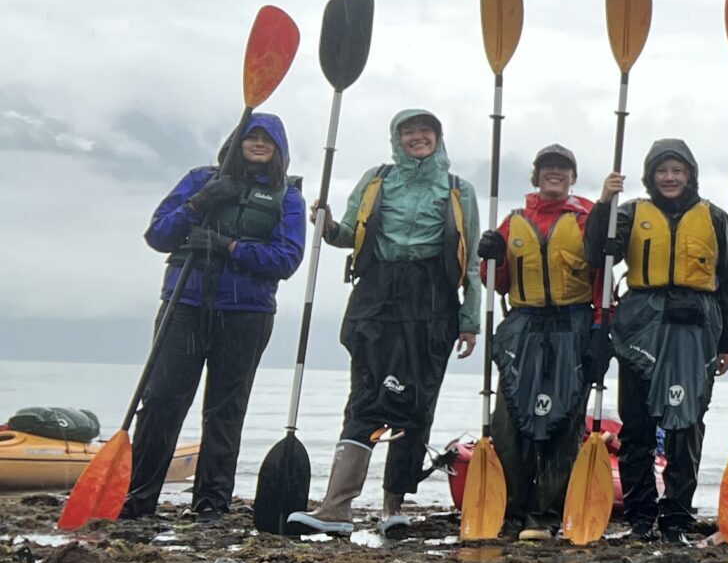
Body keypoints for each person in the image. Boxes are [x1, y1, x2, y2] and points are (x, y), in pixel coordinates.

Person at [121, 112, 306, 522]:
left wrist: (230, 247)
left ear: (279, 149)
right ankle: (138, 498)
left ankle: (211, 502)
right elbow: (158, 235)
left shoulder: (286, 196)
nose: (259, 143)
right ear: (236, 141)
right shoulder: (200, 180)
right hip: (184, 307)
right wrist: (200, 203)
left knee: (225, 409)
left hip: (245, 315)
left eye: (268, 139)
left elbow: (287, 258)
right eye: (251, 136)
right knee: (162, 401)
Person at [308, 109, 479, 535]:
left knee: (416, 403)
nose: (417, 137)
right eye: (409, 132)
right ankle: (336, 508)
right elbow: (350, 232)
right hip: (377, 297)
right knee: (366, 397)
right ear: (396, 139)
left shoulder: (460, 190)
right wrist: (327, 226)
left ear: (438, 138)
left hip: (434, 301)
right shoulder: (377, 178)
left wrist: (470, 320)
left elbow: (471, 259)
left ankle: (392, 509)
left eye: (426, 131)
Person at [589, 140, 728, 541]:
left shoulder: (716, 218)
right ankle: (641, 518)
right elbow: (597, 253)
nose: (670, 178)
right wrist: (604, 203)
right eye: (662, 171)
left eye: (677, 170)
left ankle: (676, 519)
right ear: (650, 176)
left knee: (685, 424)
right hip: (642, 323)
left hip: (696, 326)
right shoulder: (629, 213)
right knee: (638, 425)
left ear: (690, 174)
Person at [475, 144, 601, 534]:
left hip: (572, 326)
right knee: (510, 420)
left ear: (573, 177)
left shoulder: (586, 219)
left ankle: (545, 515)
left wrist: (600, 329)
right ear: (536, 175)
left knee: (564, 421)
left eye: (562, 169)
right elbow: (495, 282)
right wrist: (490, 256)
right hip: (524, 327)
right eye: (548, 168)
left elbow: (601, 277)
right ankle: (510, 511)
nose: (555, 174)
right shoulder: (514, 223)